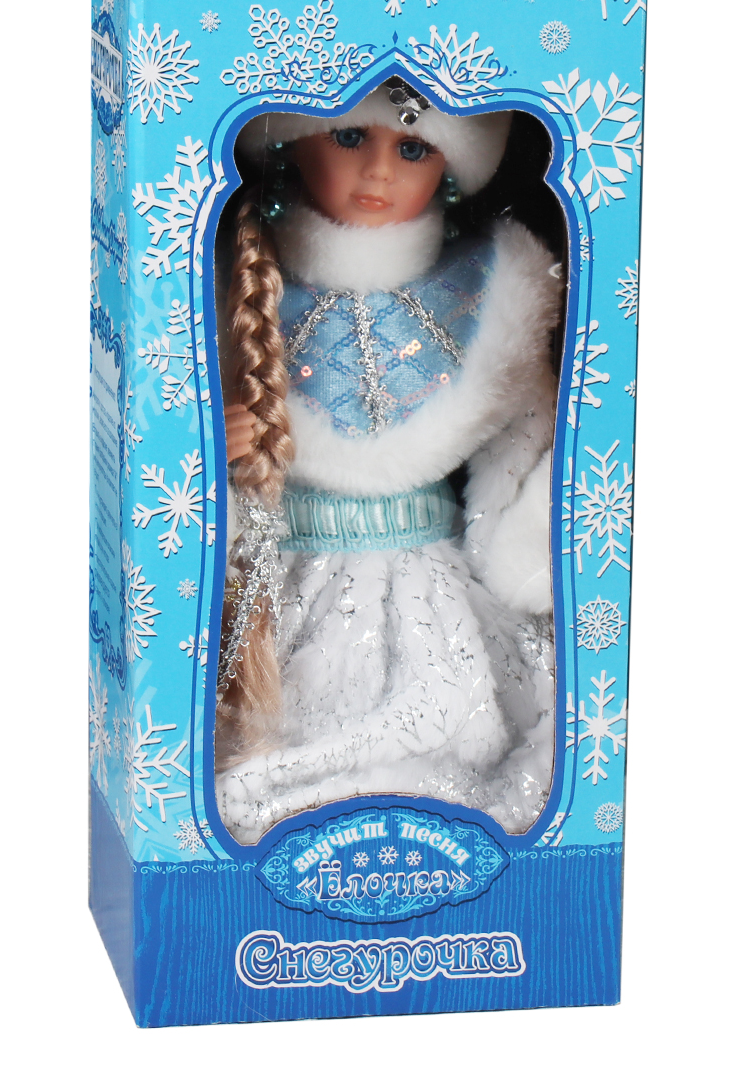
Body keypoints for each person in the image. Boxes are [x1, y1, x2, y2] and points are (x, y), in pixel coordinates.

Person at [216, 81, 562, 845]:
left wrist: (523, 555)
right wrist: (217, 465)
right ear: (295, 140)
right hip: (290, 584)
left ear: (451, 167)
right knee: (278, 738)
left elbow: (526, 442)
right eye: (349, 137)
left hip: (435, 589)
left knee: (462, 732)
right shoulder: (241, 288)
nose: (378, 172)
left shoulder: (492, 296)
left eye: (412, 149)